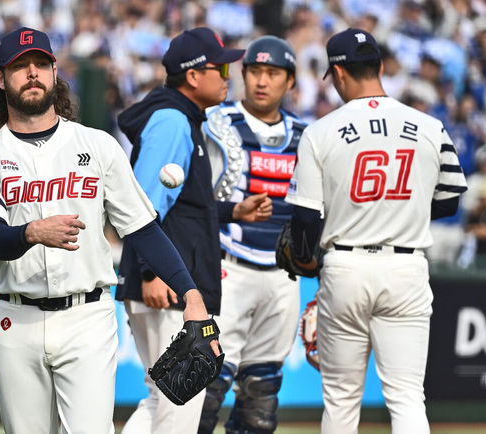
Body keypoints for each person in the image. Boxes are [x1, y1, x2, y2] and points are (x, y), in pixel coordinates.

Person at [0, 27, 216, 434]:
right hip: (16, 320)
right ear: (0, 78)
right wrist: (31, 232)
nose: (32, 73)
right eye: (20, 66)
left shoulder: (97, 146)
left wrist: (190, 293)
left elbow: (143, 229)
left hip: (88, 316)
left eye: (40, 64)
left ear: (55, 72)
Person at [283, 28, 468, 434]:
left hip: (345, 266)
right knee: (405, 397)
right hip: (406, 267)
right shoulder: (430, 126)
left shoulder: (320, 132)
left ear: (338, 73)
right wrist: (400, 212)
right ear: (380, 67)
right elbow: (451, 199)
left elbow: (304, 221)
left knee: (342, 399)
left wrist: (303, 257)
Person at [115, 27, 269, 434]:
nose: (227, 75)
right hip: (167, 284)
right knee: (178, 404)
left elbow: (184, 208)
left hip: (168, 278)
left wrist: (234, 211)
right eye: (220, 67)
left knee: (160, 396)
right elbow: (141, 209)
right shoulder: (171, 121)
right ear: (194, 75)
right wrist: (152, 272)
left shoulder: (178, 118)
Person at [198, 35, 306, 434]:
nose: (262, 81)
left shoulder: (306, 135)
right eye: (255, 71)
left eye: (273, 73)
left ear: (290, 82)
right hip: (226, 265)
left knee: (262, 392)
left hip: (282, 275)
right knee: (203, 385)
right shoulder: (215, 122)